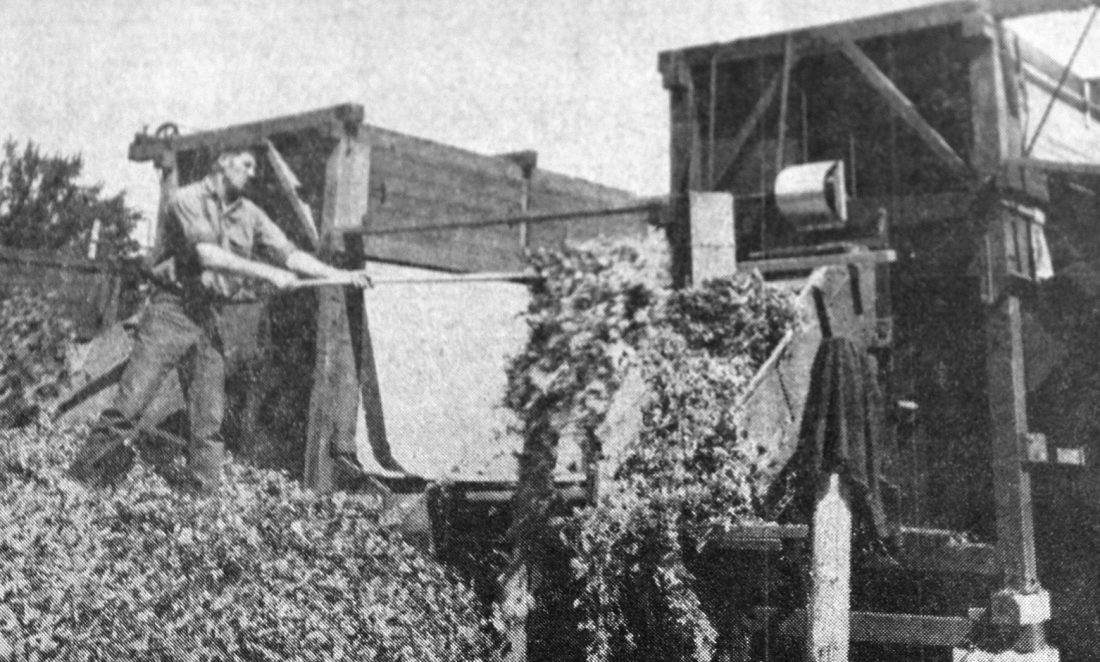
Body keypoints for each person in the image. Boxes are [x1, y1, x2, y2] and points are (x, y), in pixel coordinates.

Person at [68, 147, 371, 493]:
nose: (252, 173)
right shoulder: (187, 199)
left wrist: (341, 276)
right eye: (246, 164)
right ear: (224, 162)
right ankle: (81, 479)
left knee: (209, 416)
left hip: (208, 316)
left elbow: (291, 255)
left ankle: (204, 494)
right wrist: (268, 272)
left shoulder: (250, 214)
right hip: (172, 311)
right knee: (131, 402)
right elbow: (207, 255)